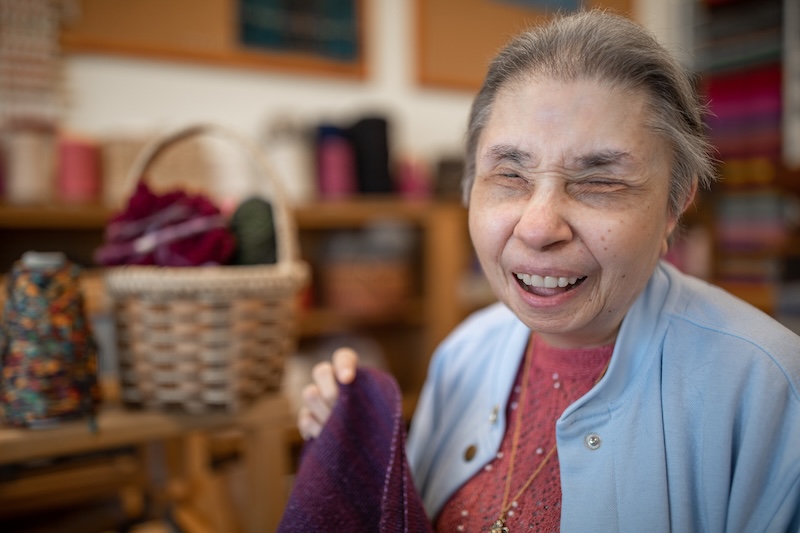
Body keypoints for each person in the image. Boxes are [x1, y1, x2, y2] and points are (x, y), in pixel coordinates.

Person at [297, 9, 800, 532]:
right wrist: (359, 448)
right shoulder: (462, 355)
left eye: (600, 182)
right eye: (509, 175)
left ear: (676, 205)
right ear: (471, 187)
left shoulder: (769, 392)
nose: (538, 228)